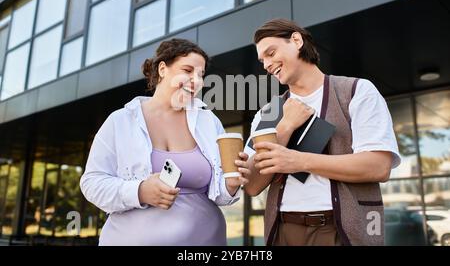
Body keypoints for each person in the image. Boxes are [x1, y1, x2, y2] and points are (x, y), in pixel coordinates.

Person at [241, 18, 401, 246]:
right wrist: (285, 127)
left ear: (296, 40)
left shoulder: (356, 91)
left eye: (271, 52)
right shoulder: (268, 113)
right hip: (282, 231)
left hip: (339, 229)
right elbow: (253, 185)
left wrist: (298, 161)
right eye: (262, 60)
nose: (266, 64)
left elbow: (379, 167)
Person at [80, 38, 250, 246]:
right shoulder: (121, 121)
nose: (196, 80)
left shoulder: (208, 121)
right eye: (187, 70)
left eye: (201, 74)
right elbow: (92, 183)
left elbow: (221, 195)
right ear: (162, 69)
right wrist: (140, 191)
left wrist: (232, 184)